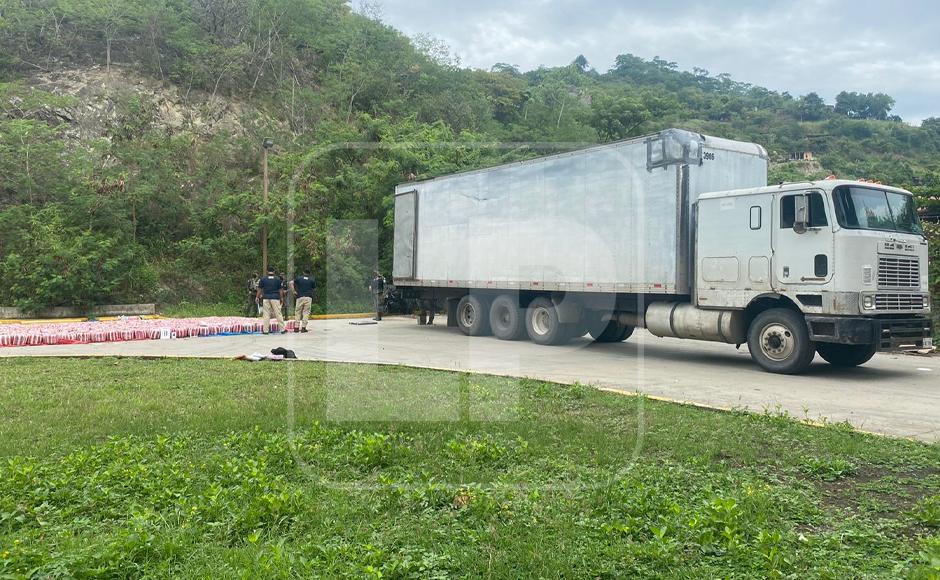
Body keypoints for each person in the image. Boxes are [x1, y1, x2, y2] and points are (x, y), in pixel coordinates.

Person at [256, 267, 286, 334]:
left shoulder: (263, 279)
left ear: (267, 271)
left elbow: (259, 289)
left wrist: (257, 297)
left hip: (266, 298)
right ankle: (282, 329)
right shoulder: (277, 279)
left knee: (266, 314)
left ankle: (265, 330)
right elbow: (280, 290)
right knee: (278, 313)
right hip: (275, 298)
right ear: (274, 271)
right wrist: (281, 298)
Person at [292, 268, 316, 333]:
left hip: (299, 297)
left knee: (298, 312)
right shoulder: (312, 280)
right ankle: (303, 328)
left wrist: (294, 291)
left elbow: (291, 283)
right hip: (308, 297)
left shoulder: (299, 278)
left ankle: (296, 328)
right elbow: (313, 289)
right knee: (306, 312)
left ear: (303, 272)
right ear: (309, 273)